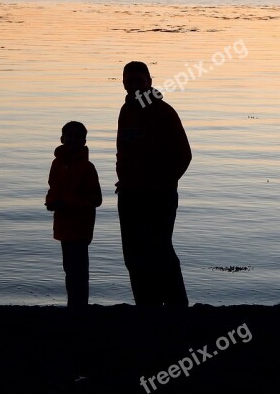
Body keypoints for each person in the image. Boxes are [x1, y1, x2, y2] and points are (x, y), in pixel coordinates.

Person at [116, 61, 191, 307]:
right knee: (133, 254)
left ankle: (177, 305)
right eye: (129, 79)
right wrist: (123, 179)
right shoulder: (125, 111)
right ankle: (146, 304)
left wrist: (164, 183)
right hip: (129, 195)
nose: (134, 84)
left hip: (159, 196)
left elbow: (184, 155)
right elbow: (122, 151)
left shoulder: (164, 112)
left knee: (160, 250)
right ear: (123, 82)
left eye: (139, 80)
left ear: (149, 81)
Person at [45, 121, 102, 309]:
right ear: (62, 139)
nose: (72, 139)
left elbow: (95, 199)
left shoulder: (87, 167)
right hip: (63, 224)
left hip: (81, 226)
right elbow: (53, 187)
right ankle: (73, 304)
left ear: (84, 141)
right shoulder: (57, 164)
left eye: (77, 136)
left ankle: (80, 306)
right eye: (69, 136)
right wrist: (51, 201)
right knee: (69, 268)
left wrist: (68, 202)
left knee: (79, 269)